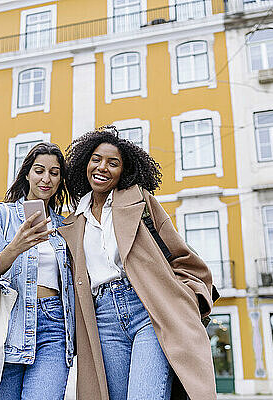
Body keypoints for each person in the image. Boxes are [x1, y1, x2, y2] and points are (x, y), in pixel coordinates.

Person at [59, 127, 217, 400]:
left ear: (124, 171)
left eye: (113, 163)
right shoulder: (72, 223)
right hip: (103, 320)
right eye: (96, 159)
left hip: (148, 308)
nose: (102, 167)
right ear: (85, 162)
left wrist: (186, 299)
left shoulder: (141, 202)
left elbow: (182, 257)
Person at [0, 143, 75, 400]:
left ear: (60, 179)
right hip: (6, 327)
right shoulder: (0, 215)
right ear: (27, 173)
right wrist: (13, 249)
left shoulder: (65, 226)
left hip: (54, 326)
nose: (46, 178)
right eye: (39, 170)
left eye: (54, 172)